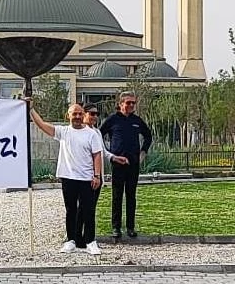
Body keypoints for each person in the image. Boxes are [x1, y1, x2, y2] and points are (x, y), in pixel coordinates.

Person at [29, 102, 104, 255]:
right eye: (74, 114)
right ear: (68, 115)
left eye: (79, 114)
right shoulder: (63, 132)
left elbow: (97, 155)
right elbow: (42, 125)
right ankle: (71, 241)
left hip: (87, 178)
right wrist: (31, 109)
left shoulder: (91, 134)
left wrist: (97, 175)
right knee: (71, 210)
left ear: (83, 115)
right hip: (68, 177)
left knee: (88, 211)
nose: (77, 116)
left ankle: (90, 242)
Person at [100, 91, 153, 239]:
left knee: (131, 196)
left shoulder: (137, 120)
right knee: (117, 196)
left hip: (133, 164)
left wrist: (143, 152)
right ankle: (116, 227)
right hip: (118, 164)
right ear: (121, 104)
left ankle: (130, 227)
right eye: (128, 103)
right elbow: (98, 135)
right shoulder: (112, 119)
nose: (131, 105)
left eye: (133, 103)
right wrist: (108, 154)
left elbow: (148, 136)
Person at [82, 103, 128, 249]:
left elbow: (103, 152)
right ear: (84, 114)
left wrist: (115, 157)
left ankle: (87, 237)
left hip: (97, 176)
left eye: (96, 114)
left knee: (91, 207)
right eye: (91, 113)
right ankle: (76, 236)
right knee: (81, 207)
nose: (94, 116)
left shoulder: (96, 132)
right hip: (84, 175)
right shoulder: (80, 131)